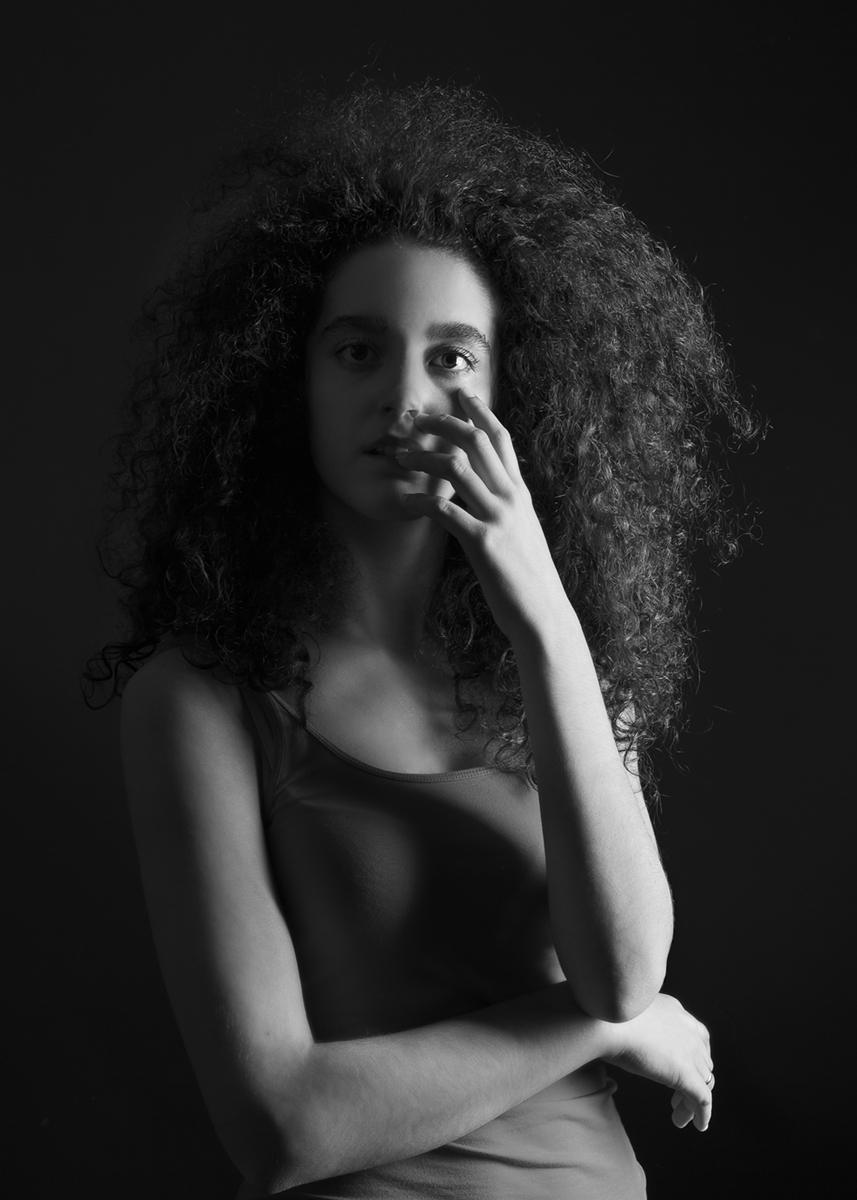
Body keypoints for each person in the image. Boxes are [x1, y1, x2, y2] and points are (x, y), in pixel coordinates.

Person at [88, 83, 756, 1198]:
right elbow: (280, 1128)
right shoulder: (200, 699)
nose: (403, 400)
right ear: (288, 381)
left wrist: (542, 618)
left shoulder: (571, 669)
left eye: (451, 359)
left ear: (511, 390)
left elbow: (624, 969)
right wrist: (595, 1031)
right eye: (357, 351)